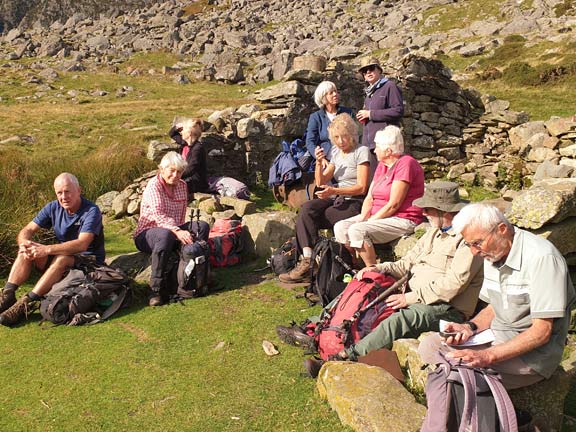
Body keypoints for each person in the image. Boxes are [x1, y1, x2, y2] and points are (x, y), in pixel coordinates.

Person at [277, 182, 484, 377]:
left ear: (444, 212)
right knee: (359, 288)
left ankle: (342, 358)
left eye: (428, 209)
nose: (423, 213)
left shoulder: (467, 241)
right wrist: (375, 268)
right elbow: (405, 263)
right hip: (411, 293)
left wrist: (410, 298)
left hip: (447, 308)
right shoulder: (434, 233)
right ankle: (314, 329)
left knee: (400, 320)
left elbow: (453, 285)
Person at [433, 203, 575, 390]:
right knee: (431, 345)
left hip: (532, 356)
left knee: (455, 376)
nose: (474, 252)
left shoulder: (542, 258)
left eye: (477, 243)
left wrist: (488, 356)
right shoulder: (493, 253)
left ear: (501, 229)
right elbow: (494, 306)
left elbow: (542, 332)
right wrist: (469, 328)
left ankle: (497, 415)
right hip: (496, 337)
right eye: (469, 244)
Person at [0, 173, 105, 326]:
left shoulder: (91, 211)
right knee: (28, 249)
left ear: (79, 190)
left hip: (89, 263)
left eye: (68, 191)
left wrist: (47, 249)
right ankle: (8, 295)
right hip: (62, 261)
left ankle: (26, 304)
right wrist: (24, 242)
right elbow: (28, 229)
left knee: (61, 258)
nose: (64, 197)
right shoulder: (53, 207)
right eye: (59, 193)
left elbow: (82, 244)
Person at [279, 113, 370, 283]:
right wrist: (319, 163)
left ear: (352, 135)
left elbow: (362, 187)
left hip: (354, 201)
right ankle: (307, 260)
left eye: (344, 136)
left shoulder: (361, 151)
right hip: (336, 197)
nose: (341, 141)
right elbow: (321, 181)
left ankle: (314, 262)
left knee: (318, 216)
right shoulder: (336, 152)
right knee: (306, 209)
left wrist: (334, 190)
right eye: (336, 137)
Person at [333, 125, 424, 267]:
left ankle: (372, 271)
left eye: (377, 147)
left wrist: (369, 222)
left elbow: (394, 204)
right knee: (340, 227)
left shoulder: (406, 164)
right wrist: (363, 217)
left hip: (403, 217)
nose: (374, 150)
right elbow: (370, 196)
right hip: (380, 216)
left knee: (357, 230)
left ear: (388, 151)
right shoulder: (382, 165)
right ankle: (354, 265)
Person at [134, 152, 210, 307]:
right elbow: (159, 216)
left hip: (173, 229)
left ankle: (196, 274)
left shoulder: (182, 185)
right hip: (148, 232)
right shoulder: (153, 186)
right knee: (165, 235)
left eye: (180, 172)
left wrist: (183, 233)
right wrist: (178, 231)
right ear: (162, 169)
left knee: (202, 226)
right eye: (172, 170)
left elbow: (181, 215)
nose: (176, 175)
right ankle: (156, 289)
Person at [356, 56, 404, 173]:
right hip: (371, 144)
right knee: (376, 179)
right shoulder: (369, 92)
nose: (368, 72)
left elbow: (398, 110)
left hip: (386, 144)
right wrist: (365, 117)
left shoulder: (390, 86)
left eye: (371, 68)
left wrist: (371, 114)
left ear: (379, 70)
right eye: (364, 70)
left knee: (388, 177)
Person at [305, 81, 354, 161]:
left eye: (336, 91)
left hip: (347, 156)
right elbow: (310, 141)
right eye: (331, 93)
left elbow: (354, 136)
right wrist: (320, 157)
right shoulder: (316, 117)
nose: (335, 94)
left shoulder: (347, 113)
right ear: (323, 97)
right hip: (327, 157)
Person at [169, 118, 209, 201]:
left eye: (183, 130)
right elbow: (172, 134)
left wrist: (176, 176)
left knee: (169, 186)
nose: (181, 132)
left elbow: (192, 169)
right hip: (185, 178)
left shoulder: (198, 148)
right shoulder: (185, 143)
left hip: (196, 182)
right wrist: (178, 126)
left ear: (189, 133)